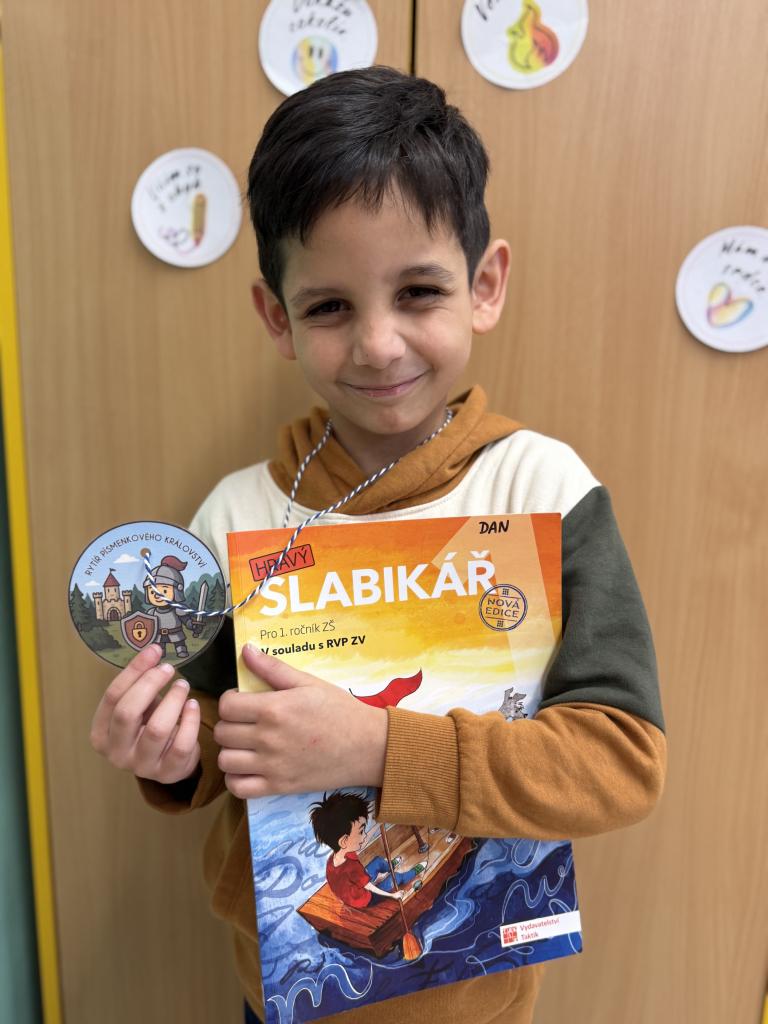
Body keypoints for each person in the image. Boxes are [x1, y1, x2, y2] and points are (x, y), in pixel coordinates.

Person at [89, 66, 666, 1024]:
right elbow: (207, 749)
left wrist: (375, 746)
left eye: (420, 291)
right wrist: (164, 752)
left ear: (485, 286)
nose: (380, 344)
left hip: (479, 999)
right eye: (329, 307)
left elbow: (620, 762)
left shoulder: (543, 488)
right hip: (279, 987)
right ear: (276, 317)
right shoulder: (235, 515)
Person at [309, 790, 425, 907]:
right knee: (396, 877)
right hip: (366, 898)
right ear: (344, 841)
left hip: (354, 889)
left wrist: (378, 825)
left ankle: (390, 866)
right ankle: (412, 872)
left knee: (378, 862)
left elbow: (362, 843)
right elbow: (369, 887)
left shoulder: (337, 856)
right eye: (361, 832)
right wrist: (393, 895)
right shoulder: (351, 866)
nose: (364, 835)